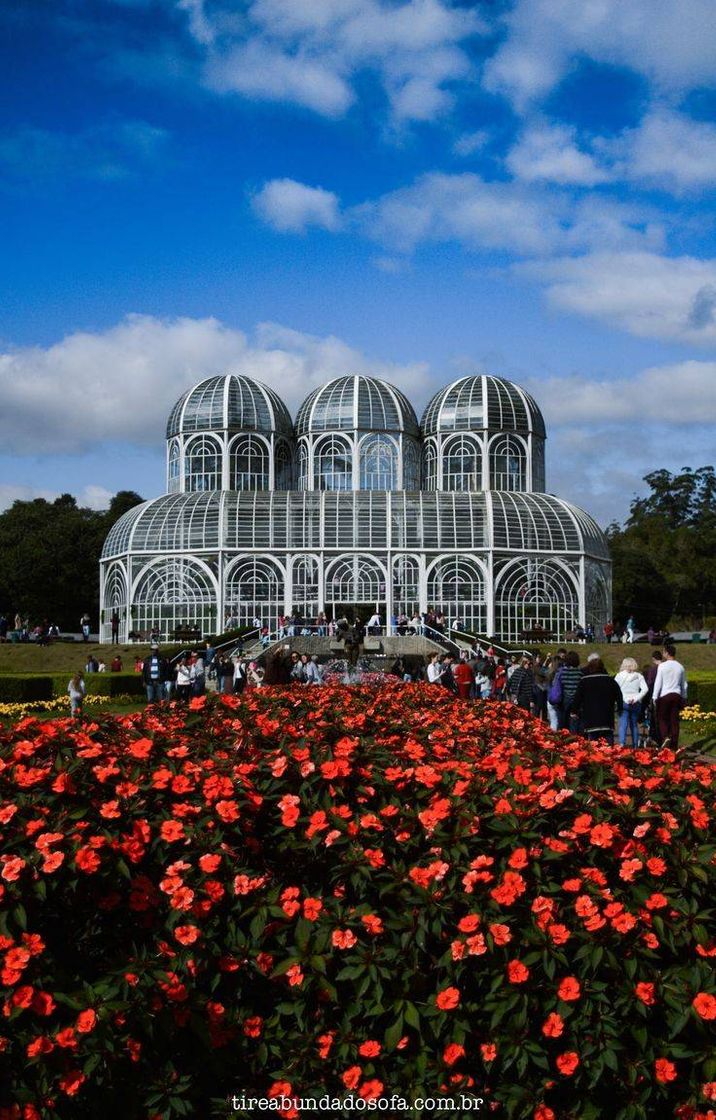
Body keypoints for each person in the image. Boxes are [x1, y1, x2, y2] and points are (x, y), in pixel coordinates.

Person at [569, 658, 623, 744]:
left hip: (591, 717)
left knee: (593, 743)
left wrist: (574, 711)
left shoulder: (584, 681)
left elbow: (577, 698)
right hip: (607, 717)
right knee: (608, 741)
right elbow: (619, 695)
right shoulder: (610, 681)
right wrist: (620, 709)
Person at [652, 643, 688, 747]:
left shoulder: (662, 666)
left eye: (664, 652)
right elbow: (684, 685)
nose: (663, 654)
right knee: (674, 720)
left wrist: (654, 697)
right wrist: (684, 697)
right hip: (676, 695)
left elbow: (658, 683)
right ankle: (674, 743)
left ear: (667, 653)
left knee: (662, 718)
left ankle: (665, 737)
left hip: (665, 695)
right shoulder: (680, 667)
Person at [615, 657, 649, 747]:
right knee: (634, 725)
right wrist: (636, 698)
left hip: (623, 702)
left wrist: (624, 699)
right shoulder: (639, 676)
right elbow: (645, 689)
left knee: (623, 724)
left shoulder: (619, 675)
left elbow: (616, 690)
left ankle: (622, 743)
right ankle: (635, 746)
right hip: (635, 703)